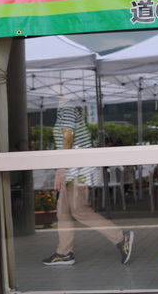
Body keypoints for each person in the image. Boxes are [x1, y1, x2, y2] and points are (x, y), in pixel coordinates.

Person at [42, 97, 134, 266]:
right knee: (63, 212)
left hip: (77, 171)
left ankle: (121, 237)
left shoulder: (67, 107)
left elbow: (68, 138)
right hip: (71, 171)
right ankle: (64, 253)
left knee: (80, 211)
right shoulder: (63, 108)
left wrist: (60, 168)